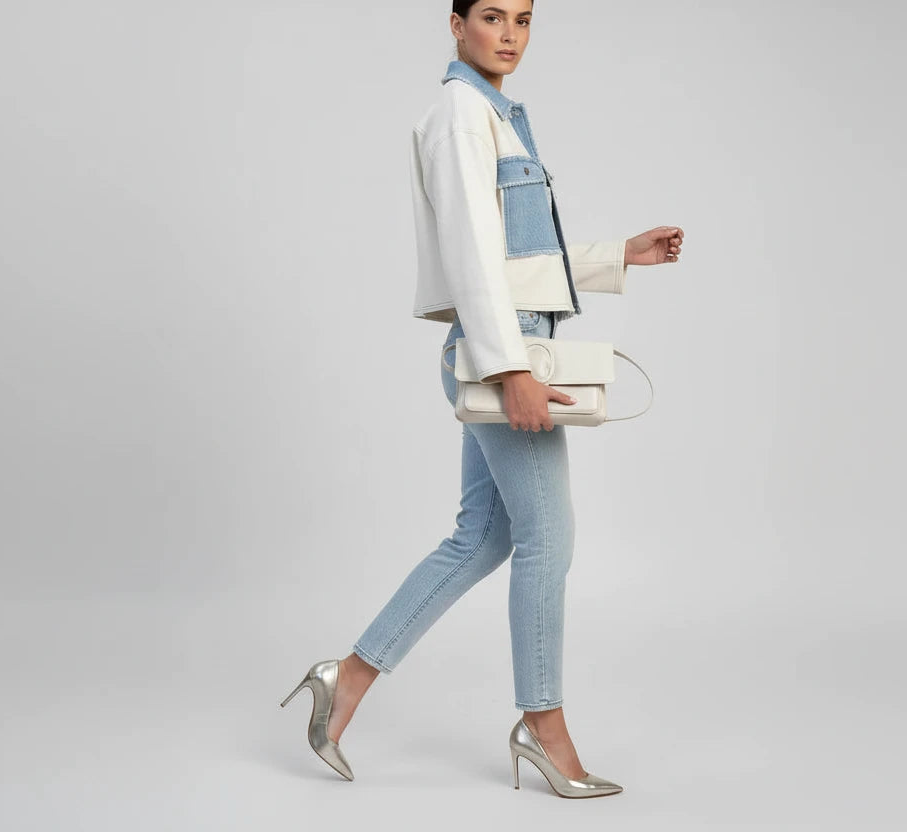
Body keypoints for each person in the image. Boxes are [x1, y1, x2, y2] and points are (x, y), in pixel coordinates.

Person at [281, 0, 683, 798]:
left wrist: (616, 256)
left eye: (524, 20)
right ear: (456, 23)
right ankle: (543, 724)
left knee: (483, 536)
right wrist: (510, 369)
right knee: (548, 540)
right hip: (502, 351)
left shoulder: (494, 114)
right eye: (493, 16)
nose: (509, 35)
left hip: (504, 343)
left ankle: (345, 678)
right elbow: (469, 252)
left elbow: (511, 253)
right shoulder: (462, 115)